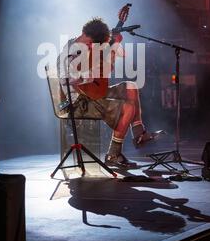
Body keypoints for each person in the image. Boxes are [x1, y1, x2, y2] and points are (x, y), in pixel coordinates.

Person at [57, 16, 153, 168]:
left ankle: (139, 133)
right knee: (128, 108)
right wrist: (93, 72)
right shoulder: (70, 53)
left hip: (90, 93)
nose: (90, 47)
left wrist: (119, 25)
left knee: (131, 87)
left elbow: (102, 56)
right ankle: (113, 154)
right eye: (89, 44)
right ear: (84, 33)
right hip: (79, 102)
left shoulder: (85, 47)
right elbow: (72, 82)